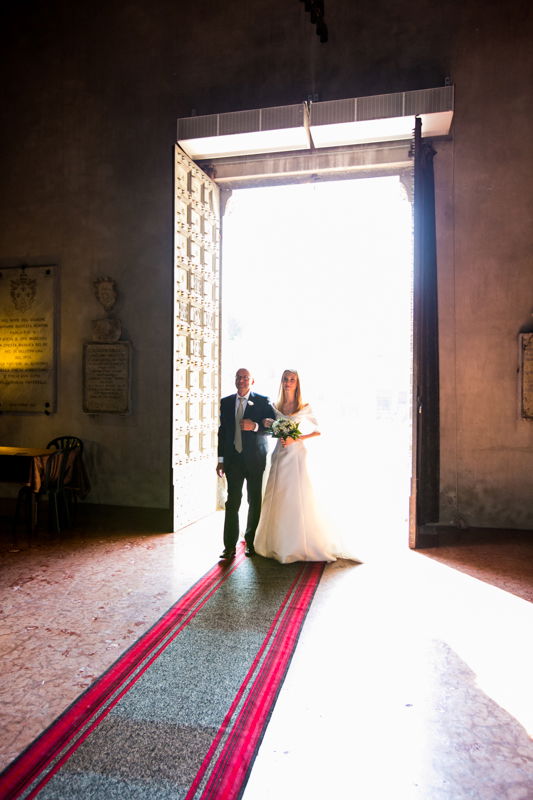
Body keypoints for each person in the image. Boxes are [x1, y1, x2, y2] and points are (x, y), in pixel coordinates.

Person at [254, 369, 342, 563]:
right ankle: (274, 544)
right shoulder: (275, 405)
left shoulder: (304, 406)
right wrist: (268, 422)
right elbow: (268, 425)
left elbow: (319, 430)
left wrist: (297, 438)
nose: (288, 382)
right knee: (277, 495)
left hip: (296, 455)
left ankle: (296, 544)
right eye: (285, 379)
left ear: (297, 383)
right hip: (279, 454)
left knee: (294, 495)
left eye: (292, 380)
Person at [216, 368, 276, 559]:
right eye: (239, 377)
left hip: (255, 459)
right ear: (235, 380)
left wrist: (255, 426)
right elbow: (222, 433)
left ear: (252, 381)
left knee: (254, 500)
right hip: (233, 460)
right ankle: (229, 546)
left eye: (245, 378)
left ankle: (251, 543)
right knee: (232, 502)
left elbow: (273, 427)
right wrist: (221, 460)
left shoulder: (262, 401)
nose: (241, 380)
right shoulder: (225, 402)